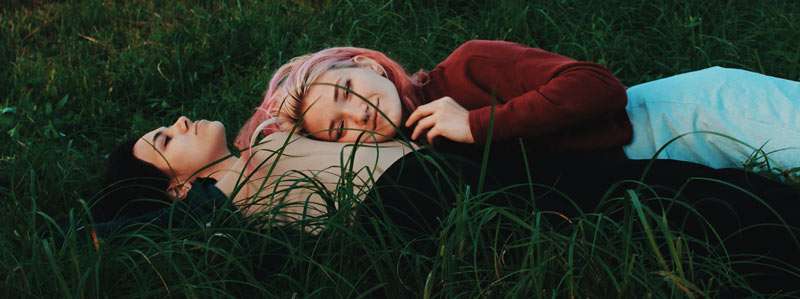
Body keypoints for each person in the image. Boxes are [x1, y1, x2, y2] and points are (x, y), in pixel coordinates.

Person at [96, 115, 800, 294]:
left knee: (652, 185)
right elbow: (121, 231)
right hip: (418, 199)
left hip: (459, 171)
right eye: (166, 139)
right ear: (178, 187)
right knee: (650, 205)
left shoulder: (262, 134)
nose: (181, 123)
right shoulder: (211, 204)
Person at [236, 40, 800, 170]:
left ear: (365, 64)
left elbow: (599, 86)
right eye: (336, 131)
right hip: (674, 160)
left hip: (693, 112)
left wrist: (478, 123)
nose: (357, 114)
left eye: (344, 91)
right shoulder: (415, 149)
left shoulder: (467, 66)